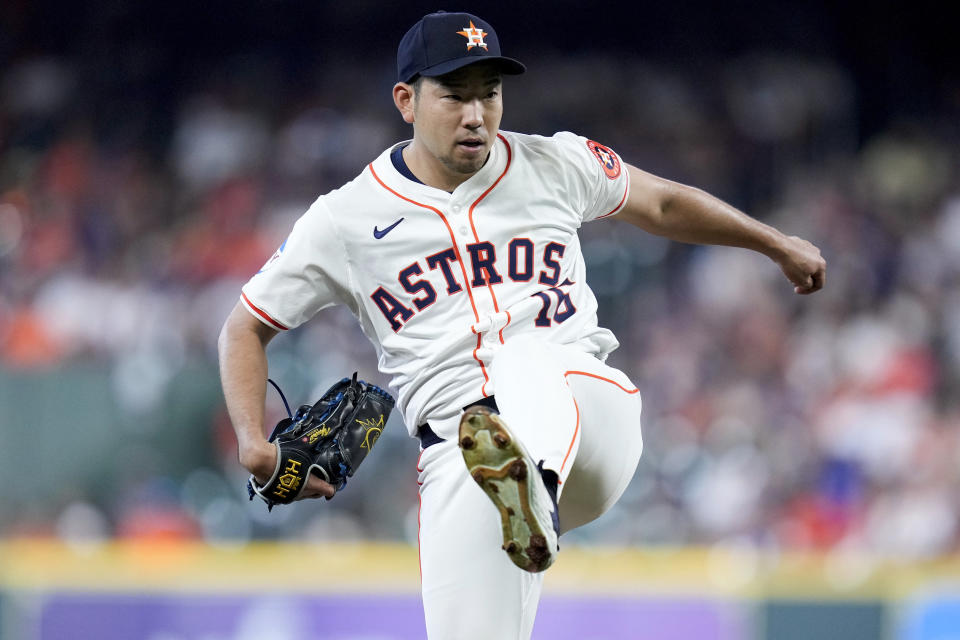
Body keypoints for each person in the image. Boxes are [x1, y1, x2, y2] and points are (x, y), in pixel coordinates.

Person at [217, 10, 826, 639]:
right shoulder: (343, 220)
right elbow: (244, 327)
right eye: (454, 95)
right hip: (460, 458)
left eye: (490, 93)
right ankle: (520, 501)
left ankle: (534, 486)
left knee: (518, 355)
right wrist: (254, 443)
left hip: (586, 416)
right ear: (406, 100)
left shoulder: (554, 164)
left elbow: (663, 202)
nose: (476, 113)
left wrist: (773, 241)